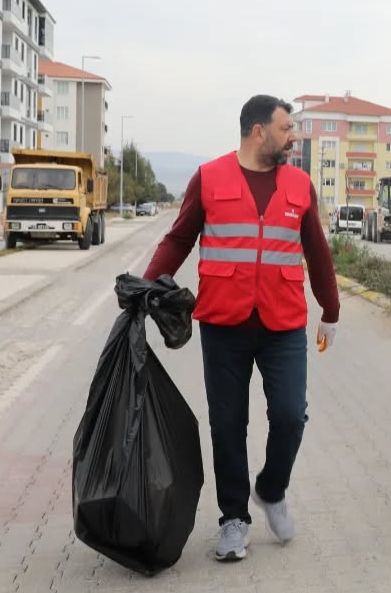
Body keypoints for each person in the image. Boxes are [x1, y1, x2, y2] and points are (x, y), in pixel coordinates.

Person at [143, 95, 340, 562]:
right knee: (228, 424)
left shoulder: (299, 184)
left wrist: (330, 310)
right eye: (286, 128)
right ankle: (234, 518)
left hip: (284, 322)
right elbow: (179, 239)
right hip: (224, 322)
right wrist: (143, 287)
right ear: (258, 132)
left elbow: (317, 251)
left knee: (291, 415)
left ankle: (271, 489)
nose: (294, 137)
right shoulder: (209, 178)